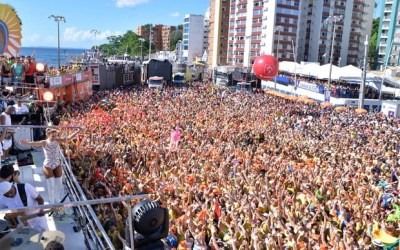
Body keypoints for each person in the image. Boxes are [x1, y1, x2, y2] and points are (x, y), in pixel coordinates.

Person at [19, 128, 80, 204]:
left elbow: (68, 138)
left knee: (59, 183)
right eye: (52, 136)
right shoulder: (44, 142)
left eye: (55, 136)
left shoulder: (57, 140)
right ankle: (51, 201)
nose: (54, 137)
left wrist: (77, 131)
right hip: (48, 165)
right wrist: (25, 143)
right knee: (51, 185)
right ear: (48, 135)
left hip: (57, 163)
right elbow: (34, 143)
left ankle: (56, 197)